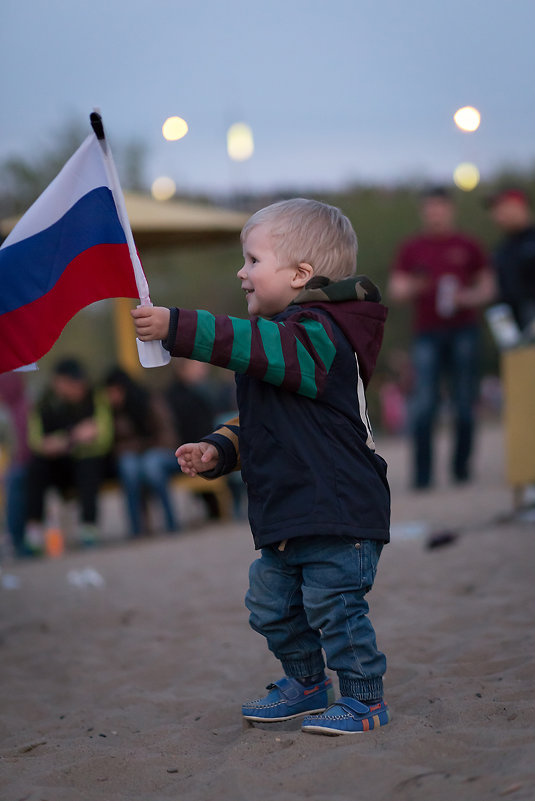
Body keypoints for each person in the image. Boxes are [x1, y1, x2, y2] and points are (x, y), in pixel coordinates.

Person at [132, 198, 391, 736]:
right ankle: (307, 684)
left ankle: (365, 701)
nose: (241, 273)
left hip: (339, 511)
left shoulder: (321, 334)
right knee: (270, 603)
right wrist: (220, 448)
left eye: (252, 260)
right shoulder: (282, 344)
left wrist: (176, 326)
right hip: (289, 513)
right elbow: (266, 423)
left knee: (335, 610)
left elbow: (252, 345)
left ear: (300, 275)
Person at [388, 187, 495, 489]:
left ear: (450, 209)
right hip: (427, 333)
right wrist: (416, 286)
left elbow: (487, 287)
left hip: (464, 329)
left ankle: (461, 469)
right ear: (423, 211)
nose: (435, 213)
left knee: (464, 399)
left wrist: (466, 297)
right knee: (424, 402)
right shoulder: (412, 248)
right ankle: (423, 476)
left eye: (440, 207)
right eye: (430, 207)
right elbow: (396, 290)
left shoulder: (468, 244)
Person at [26, 358, 113, 550]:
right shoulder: (43, 404)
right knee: (34, 468)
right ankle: (34, 531)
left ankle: (89, 527)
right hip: (57, 466)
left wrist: (60, 443)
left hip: (87, 462)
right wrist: (74, 436)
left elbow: (103, 438)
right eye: (72, 383)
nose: (78, 388)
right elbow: (38, 444)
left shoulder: (95, 396)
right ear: (58, 383)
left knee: (89, 462)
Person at [104, 367, 179, 537]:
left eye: (114, 392)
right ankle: (137, 528)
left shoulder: (148, 400)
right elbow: (112, 444)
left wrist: (142, 448)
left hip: (161, 451)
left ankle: (171, 522)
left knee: (151, 466)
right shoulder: (110, 412)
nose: (111, 397)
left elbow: (167, 435)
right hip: (133, 456)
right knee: (128, 466)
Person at [487, 188, 535, 333]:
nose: (497, 215)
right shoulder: (502, 249)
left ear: (519, 206)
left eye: (502, 207)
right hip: (513, 327)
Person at [0, 373, 31, 557]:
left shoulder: (30, 406)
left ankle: (22, 538)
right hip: (15, 465)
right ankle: (16, 538)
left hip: (36, 462)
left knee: (17, 479)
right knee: (14, 478)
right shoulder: (4, 413)